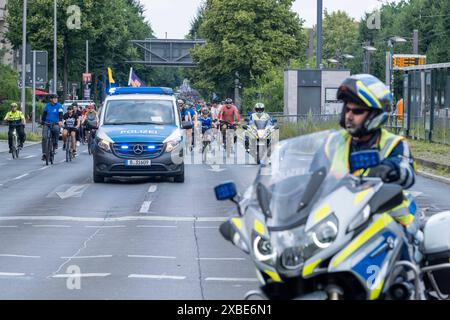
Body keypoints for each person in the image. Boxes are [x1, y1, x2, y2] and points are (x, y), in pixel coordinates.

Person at [316, 74, 416, 227]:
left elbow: (407, 174)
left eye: (356, 112)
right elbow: (313, 178)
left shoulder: (394, 143)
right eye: (347, 109)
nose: (349, 116)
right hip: (341, 222)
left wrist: (389, 169)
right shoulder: (332, 143)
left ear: (374, 115)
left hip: (389, 226)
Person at [41, 94, 63, 161]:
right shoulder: (47, 105)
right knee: (44, 137)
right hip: (47, 123)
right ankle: (44, 153)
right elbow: (44, 114)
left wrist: (60, 121)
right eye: (54, 98)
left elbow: (60, 114)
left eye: (56, 98)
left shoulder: (59, 105)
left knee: (56, 130)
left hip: (55, 123)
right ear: (51, 99)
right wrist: (42, 121)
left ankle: (55, 143)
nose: (56, 99)